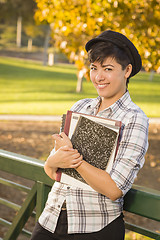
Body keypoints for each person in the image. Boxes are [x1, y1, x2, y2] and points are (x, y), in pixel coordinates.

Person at [31, 30, 149, 240]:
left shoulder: (135, 119)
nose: (98, 77)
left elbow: (113, 189)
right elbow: (53, 171)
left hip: (96, 227)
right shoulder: (80, 107)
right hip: (50, 218)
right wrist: (52, 162)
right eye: (94, 68)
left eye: (108, 69)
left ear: (127, 70)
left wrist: (75, 160)